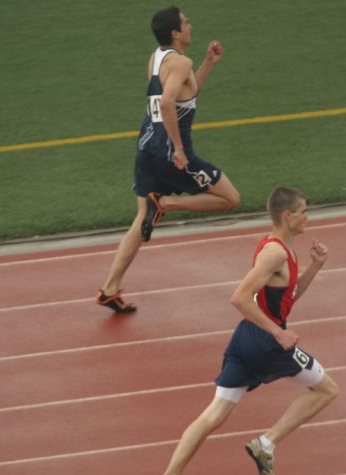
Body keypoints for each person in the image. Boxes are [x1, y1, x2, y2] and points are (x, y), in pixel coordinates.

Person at [145, 187, 339, 475]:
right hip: (266, 342)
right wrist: (278, 332)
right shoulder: (275, 254)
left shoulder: (281, 250)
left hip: (245, 340)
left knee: (213, 415)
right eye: (305, 211)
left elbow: (287, 297)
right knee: (326, 389)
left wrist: (315, 267)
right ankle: (266, 443)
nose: (309, 216)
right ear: (288, 216)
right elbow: (239, 298)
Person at [96, 6, 240, 313]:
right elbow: (168, 101)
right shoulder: (180, 61)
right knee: (229, 198)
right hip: (171, 151)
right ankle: (166, 204)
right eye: (186, 23)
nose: (191, 26)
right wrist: (177, 148)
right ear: (175, 32)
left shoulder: (157, 58)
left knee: (140, 219)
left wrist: (209, 64)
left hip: (146, 146)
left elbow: (188, 90)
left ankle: (110, 288)